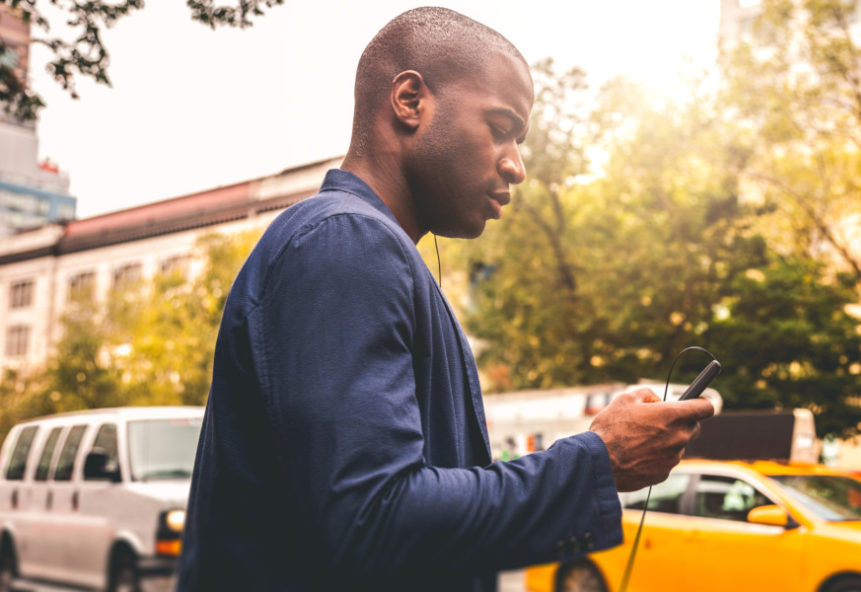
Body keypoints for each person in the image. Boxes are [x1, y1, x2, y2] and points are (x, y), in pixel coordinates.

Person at [176, 7, 713, 591]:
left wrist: (589, 456)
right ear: (410, 101)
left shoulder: (367, 250)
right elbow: (375, 518)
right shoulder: (345, 244)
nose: (517, 164)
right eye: (501, 127)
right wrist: (597, 461)